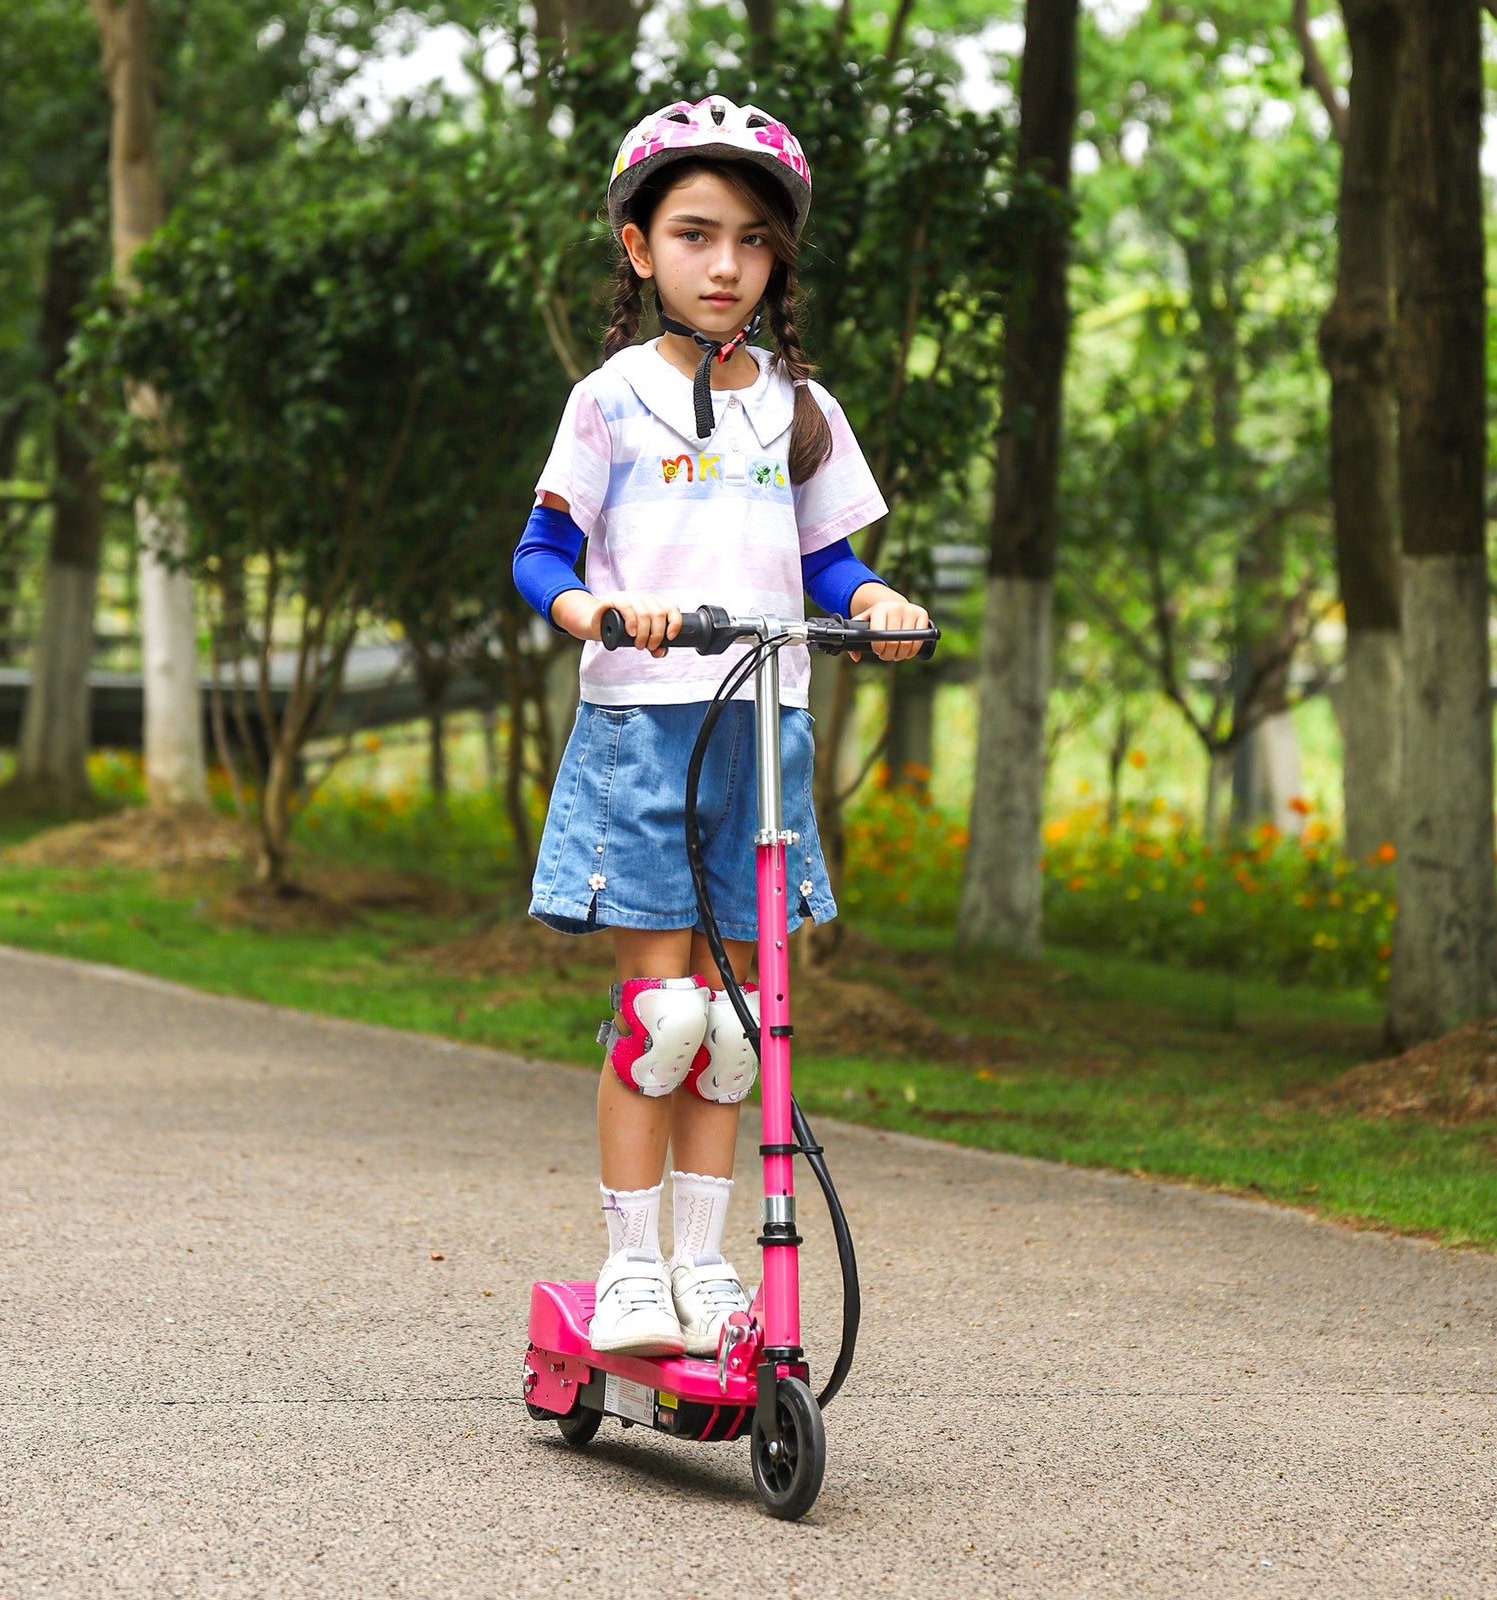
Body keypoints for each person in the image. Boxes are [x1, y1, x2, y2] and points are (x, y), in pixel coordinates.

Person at [512, 94, 929, 1358]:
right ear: (638, 248)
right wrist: (597, 610)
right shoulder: (610, 399)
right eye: (693, 235)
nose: (724, 264)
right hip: (648, 728)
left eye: (751, 240)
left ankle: (703, 1266)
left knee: (740, 1032)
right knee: (664, 1019)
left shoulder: (797, 404)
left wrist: (872, 598)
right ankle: (630, 1264)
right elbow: (540, 554)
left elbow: (823, 557)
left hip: (764, 732)